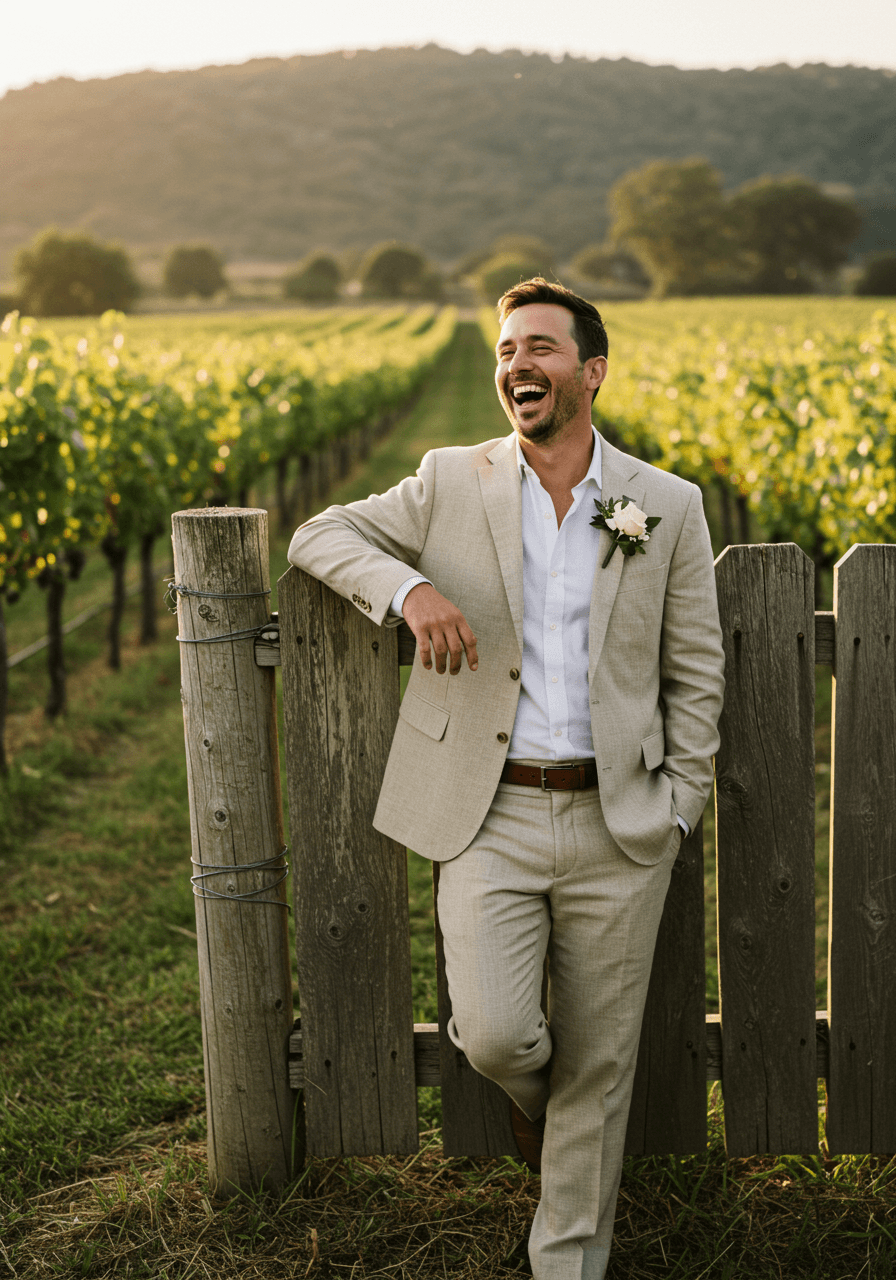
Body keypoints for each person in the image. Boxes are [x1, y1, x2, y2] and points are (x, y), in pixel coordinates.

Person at [288, 278, 725, 1279]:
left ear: (591, 370)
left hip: (622, 824)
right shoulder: (449, 479)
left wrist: (676, 808)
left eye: (538, 346)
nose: (514, 364)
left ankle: (563, 1260)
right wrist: (410, 589)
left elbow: (695, 671)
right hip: (486, 816)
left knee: (601, 1063)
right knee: (492, 1033)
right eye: (502, 349)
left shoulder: (660, 504)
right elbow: (319, 537)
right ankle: (536, 1109)